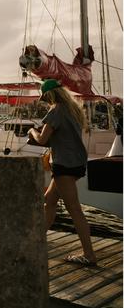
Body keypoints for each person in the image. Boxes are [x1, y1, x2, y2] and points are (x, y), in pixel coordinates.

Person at [29, 79, 96, 265]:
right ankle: (35, 241)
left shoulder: (56, 110)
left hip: (64, 164)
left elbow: (42, 139)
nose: (44, 101)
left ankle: (89, 255)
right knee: (49, 200)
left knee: (74, 209)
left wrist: (31, 132)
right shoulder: (72, 109)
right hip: (76, 162)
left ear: (49, 95)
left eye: (44, 98)